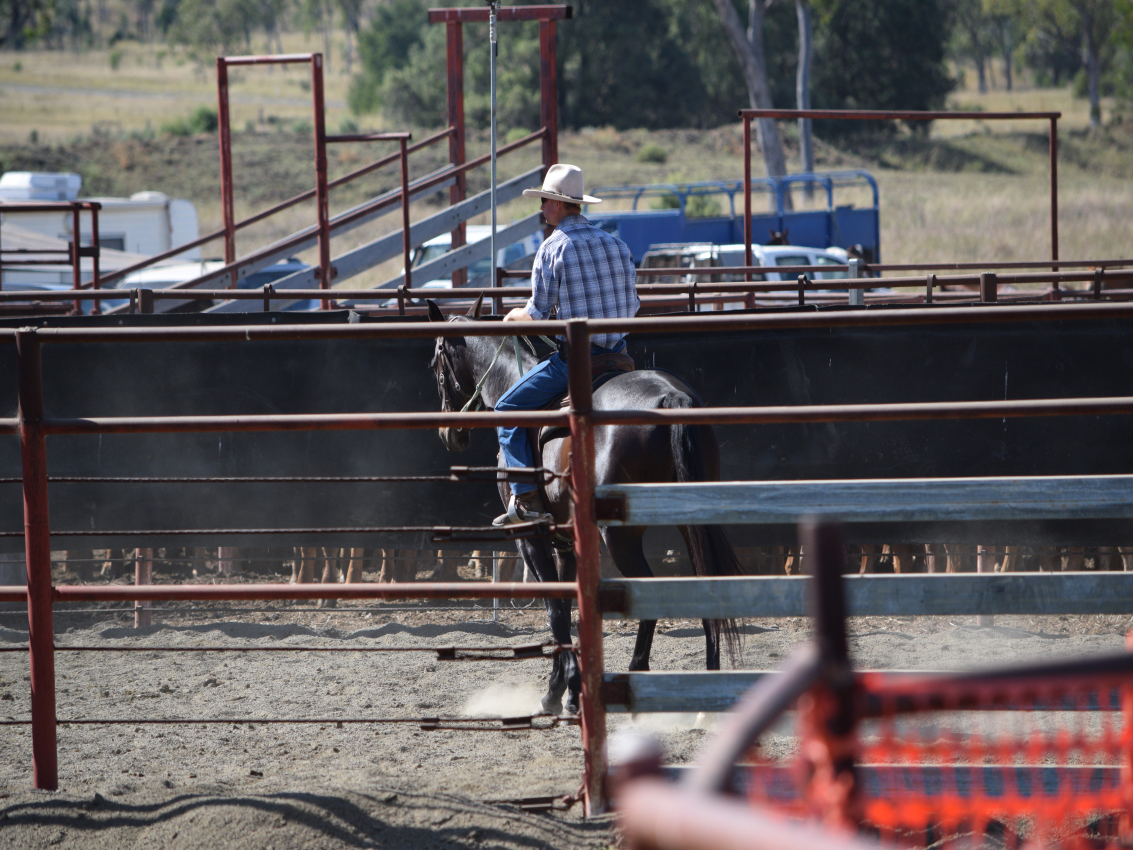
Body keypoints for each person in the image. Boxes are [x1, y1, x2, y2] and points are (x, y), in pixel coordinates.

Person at [492, 163, 640, 526]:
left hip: (577, 360)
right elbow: (633, 306)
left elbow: (537, 315)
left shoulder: (553, 248)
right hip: (619, 356)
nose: (542, 208)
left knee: (506, 408)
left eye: (544, 201)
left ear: (558, 204)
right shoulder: (617, 244)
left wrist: (512, 318)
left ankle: (526, 499)